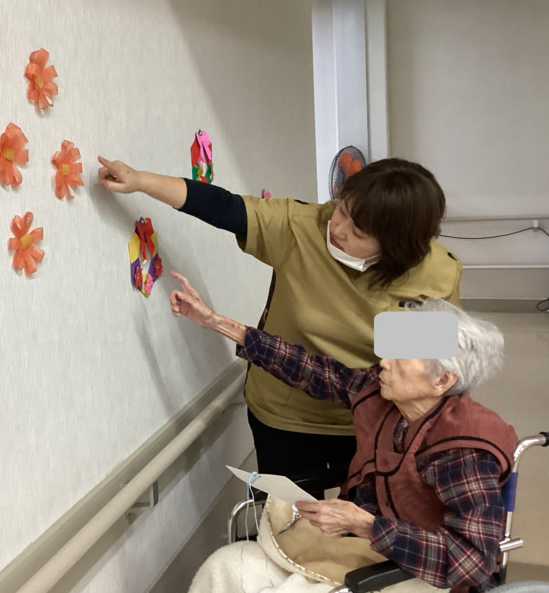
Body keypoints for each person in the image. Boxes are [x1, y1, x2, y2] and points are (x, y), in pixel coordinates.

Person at [98, 155, 463, 498]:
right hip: (285, 411)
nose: (338, 227)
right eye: (343, 210)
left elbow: (418, 375)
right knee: (284, 524)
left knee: (360, 530)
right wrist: (140, 181)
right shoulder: (304, 228)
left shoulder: (435, 276)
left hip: (372, 416)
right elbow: (225, 208)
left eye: (358, 231)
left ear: (395, 248)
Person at [168, 271, 517, 593]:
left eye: (402, 355)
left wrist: (369, 526)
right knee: (224, 567)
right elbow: (314, 371)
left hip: (417, 575)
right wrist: (220, 324)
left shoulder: (463, 448)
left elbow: (473, 561)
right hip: (360, 547)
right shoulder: (380, 393)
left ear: (442, 380)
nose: (384, 361)